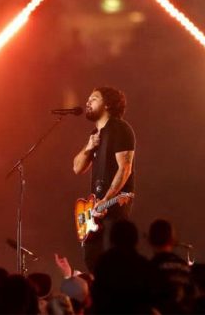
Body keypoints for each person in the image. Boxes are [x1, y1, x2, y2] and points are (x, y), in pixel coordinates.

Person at [72, 87, 136, 272]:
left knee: (112, 262)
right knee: (92, 261)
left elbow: (125, 168)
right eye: (88, 98)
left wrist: (107, 199)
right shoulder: (95, 134)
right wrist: (89, 147)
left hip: (113, 207)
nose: (87, 102)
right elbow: (76, 168)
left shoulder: (120, 129)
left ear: (107, 104)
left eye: (94, 98)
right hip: (95, 210)